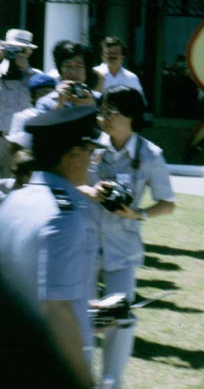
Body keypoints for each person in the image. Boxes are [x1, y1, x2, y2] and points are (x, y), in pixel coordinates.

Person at [80, 85, 175, 389]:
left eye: (112, 112)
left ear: (131, 116)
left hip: (122, 248)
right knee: (81, 317)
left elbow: (167, 203)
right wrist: (92, 192)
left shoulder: (150, 155)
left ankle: (111, 383)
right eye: (102, 111)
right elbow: (69, 182)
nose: (104, 118)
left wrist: (138, 214)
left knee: (119, 318)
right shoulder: (89, 147)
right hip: (85, 246)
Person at [0, 105, 101, 388]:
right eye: (89, 151)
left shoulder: (14, 201)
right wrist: (85, 381)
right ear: (73, 155)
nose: (92, 160)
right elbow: (57, 310)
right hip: (48, 366)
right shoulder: (63, 216)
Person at [0, 29, 41, 177]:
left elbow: (42, 100)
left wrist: (27, 71)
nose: (17, 54)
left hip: (22, 141)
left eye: (22, 50)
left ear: (29, 52)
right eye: (13, 49)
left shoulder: (36, 76)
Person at [5, 73, 58, 152]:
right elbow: (14, 148)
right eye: (43, 93)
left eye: (51, 93)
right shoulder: (22, 117)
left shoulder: (61, 113)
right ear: (33, 96)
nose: (48, 97)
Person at [93, 37, 146, 103]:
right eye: (109, 53)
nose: (112, 56)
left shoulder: (132, 78)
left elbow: (140, 103)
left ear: (122, 56)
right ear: (102, 55)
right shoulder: (93, 74)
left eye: (116, 53)